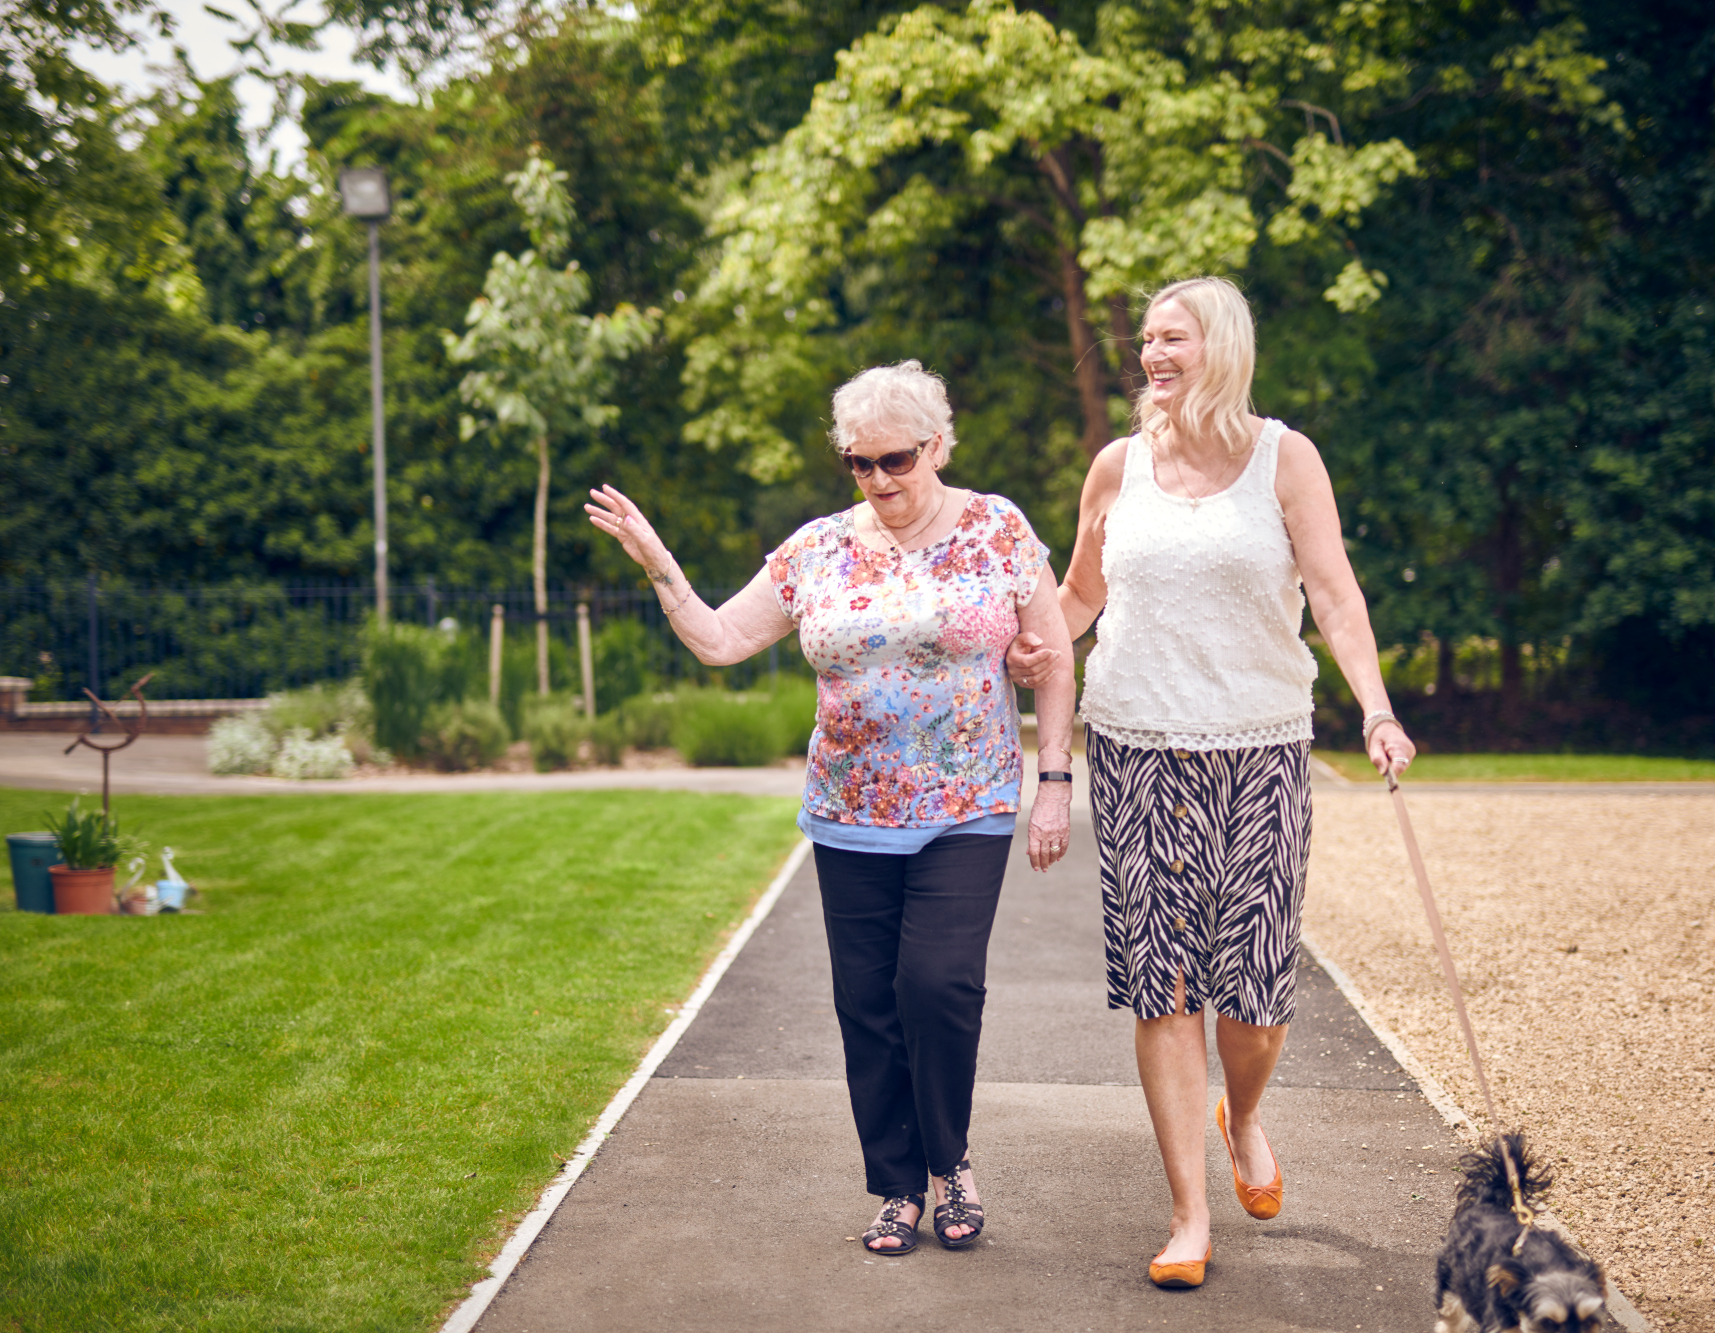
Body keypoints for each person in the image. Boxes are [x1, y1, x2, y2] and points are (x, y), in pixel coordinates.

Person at [585, 360, 1076, 1255]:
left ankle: (950, 1161)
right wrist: (660, 567)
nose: (879, 479)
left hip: (970, 799)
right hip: (850, 808)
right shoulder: (817, 546)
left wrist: (1054, 781)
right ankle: (896, 1186)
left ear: (937, 445)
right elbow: (722, 638)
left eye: (896, 459)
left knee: (938, 986)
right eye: (859, 463)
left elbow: (1053, 653)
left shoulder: (998, 527)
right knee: (868, 1001)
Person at [1007, 277, 1416, 1289]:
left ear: (1218, 346)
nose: (1151, 353)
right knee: (1164, 987)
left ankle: (1245, 1112)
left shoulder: (1285, 458)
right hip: (1137, 746)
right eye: (1144, 339)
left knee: (1256, 1001)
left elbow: (1331, 591)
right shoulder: (1117, 468)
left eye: (1171, 337)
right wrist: (1025, 646)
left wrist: (1374, 706)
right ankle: (1188, 1212)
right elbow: (1078, 596)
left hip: (1260, 746)